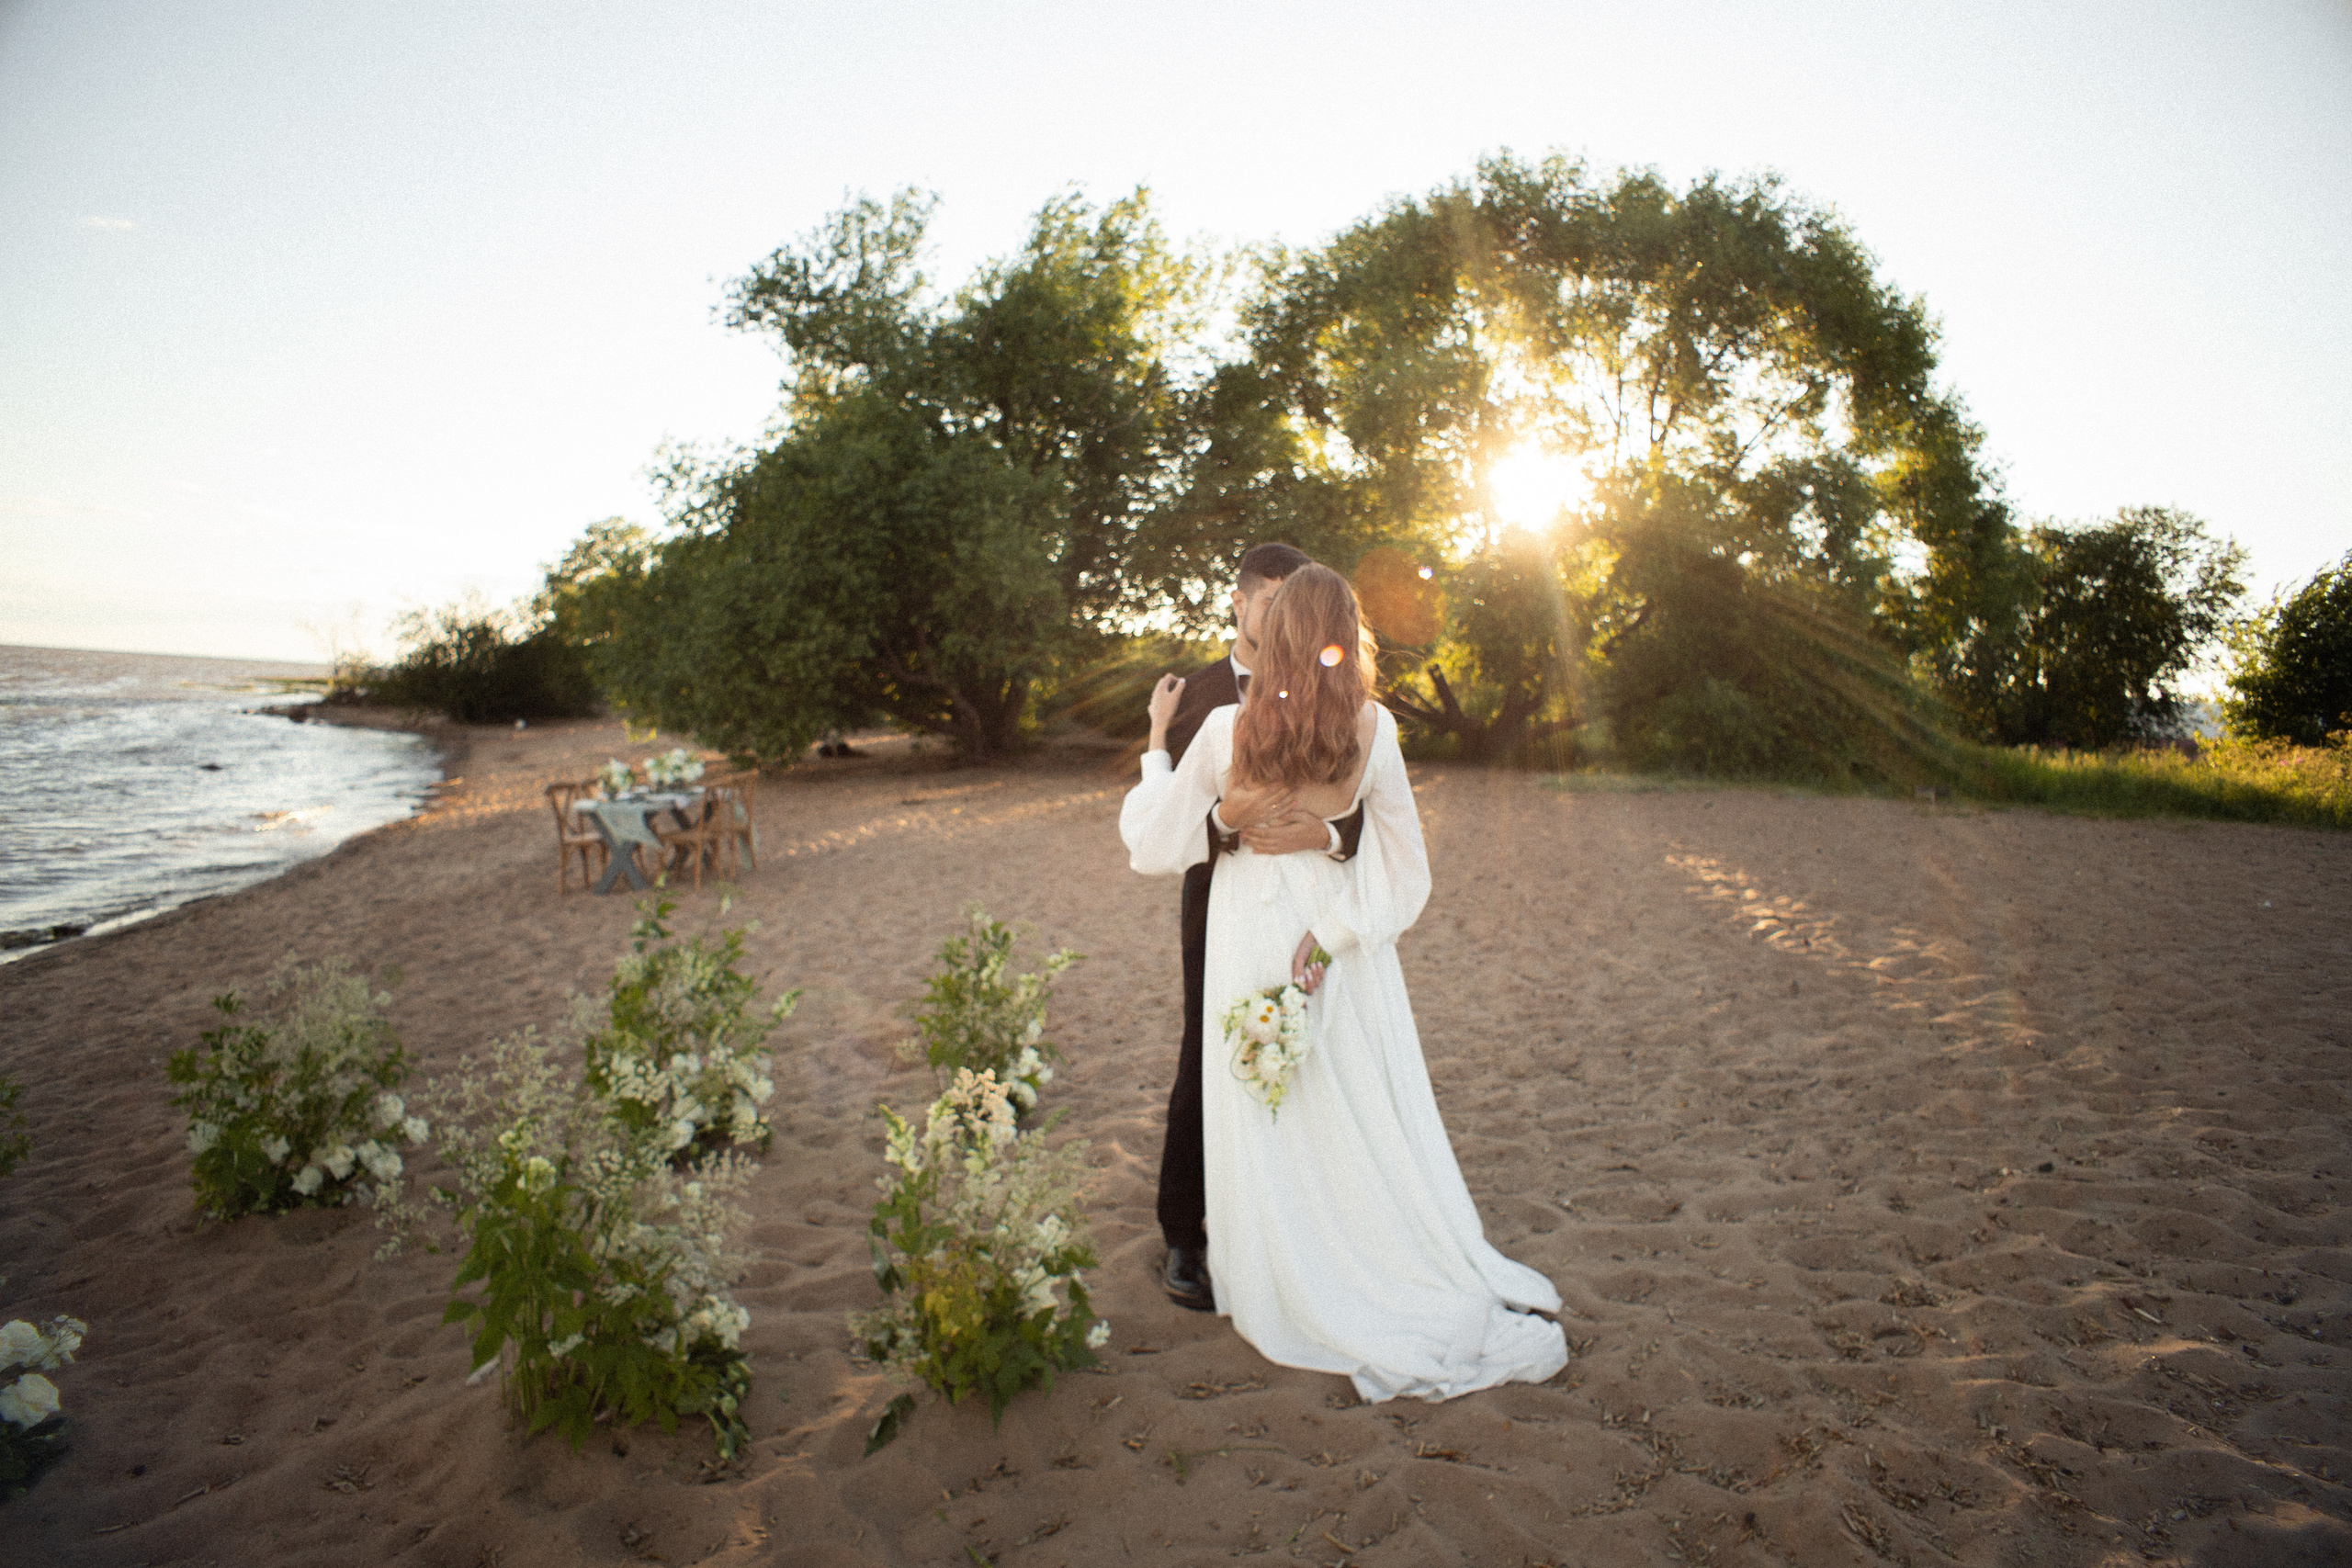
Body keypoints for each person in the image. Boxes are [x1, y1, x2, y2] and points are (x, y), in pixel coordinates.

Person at [1120, 563, 1567, 1403]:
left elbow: (1153, 844)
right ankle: (1365, 1250)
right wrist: (1332, 925)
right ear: (1344, 636)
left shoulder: (1222, 727)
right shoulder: (1374, 727)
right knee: (1339, 1090)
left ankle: (1280, 1269)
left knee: (1263, 1093)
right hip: (1322, 934)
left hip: (1248, 927)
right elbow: (1405, 866)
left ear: (1279, 633)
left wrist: (1157, 750)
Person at [1152, 544, 1365, 1312]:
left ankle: (1297, 1212)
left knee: (1313, 1046)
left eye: (1293, 601)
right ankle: (1184, 1230)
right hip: (1220, 897)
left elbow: (1359, 803)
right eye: (1267, 601)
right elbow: (1181, 813)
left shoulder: (1334, 687)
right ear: (1238, 603)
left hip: (1309, 900)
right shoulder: (1199, 696)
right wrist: (1232, 822)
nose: (1281, 616)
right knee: (1204, 1053)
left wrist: (1328, 836)